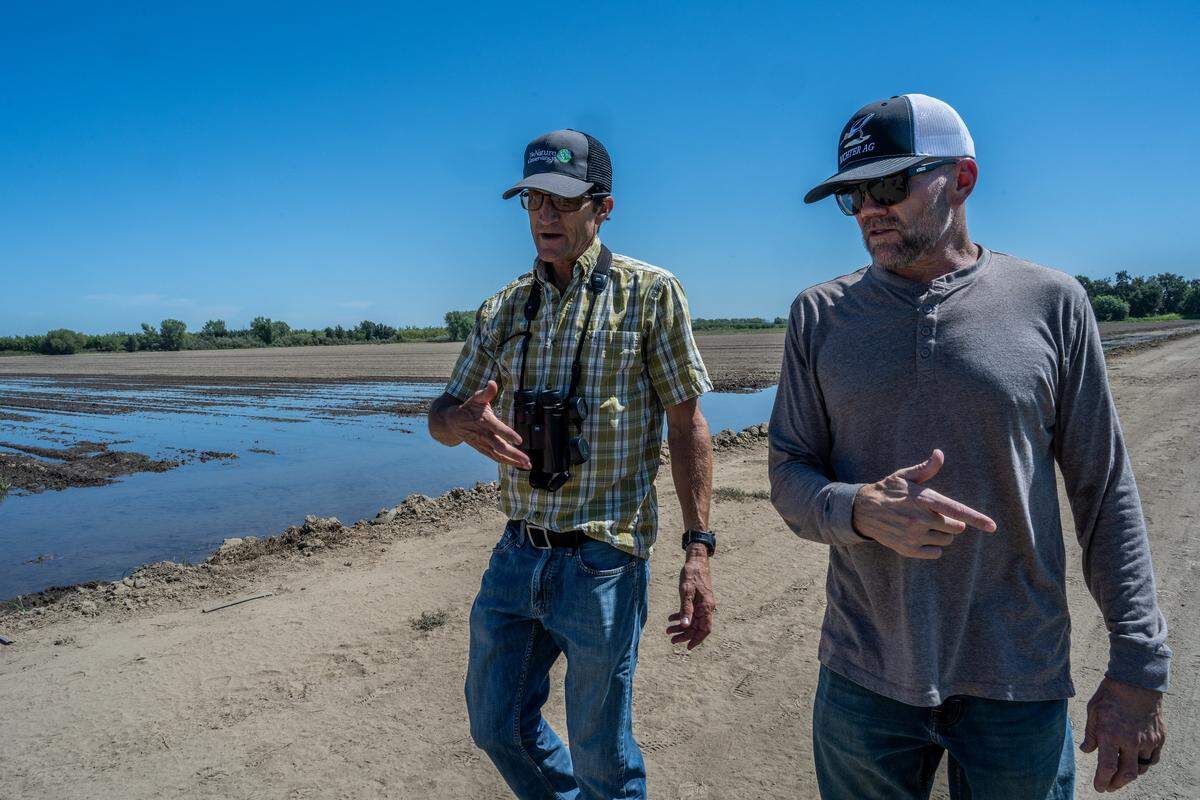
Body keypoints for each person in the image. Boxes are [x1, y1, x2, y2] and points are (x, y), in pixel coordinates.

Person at [768, 94, 1170, 799]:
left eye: (889, 185)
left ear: (962, 179)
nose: (868, 208)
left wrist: (1139, 666)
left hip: (1017, 680)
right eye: (852, 194)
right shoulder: (819, 316)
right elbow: (788, 472)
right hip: (865, 680)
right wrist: (856, 508)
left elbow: (1103, 494)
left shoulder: (1052, 303)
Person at [428, 128, 717, 800]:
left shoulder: (649, 294)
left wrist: (697, 551)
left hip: (603, 563)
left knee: (602, 756)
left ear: (603, 207)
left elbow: (687, 424)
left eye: (561, 201)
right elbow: (441, 414)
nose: (544, 218)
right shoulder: (503, 308)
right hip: (517, 554)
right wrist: (458, 422)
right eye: (533, 201)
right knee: (496, 725)